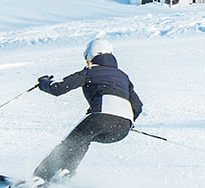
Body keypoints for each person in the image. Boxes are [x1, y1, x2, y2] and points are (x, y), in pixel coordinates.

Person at [26, 38, 143, 186]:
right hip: (122, 129)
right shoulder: (123, 76)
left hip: (100, 118)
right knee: (83, 139)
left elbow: (59, 88)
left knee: (70, 143)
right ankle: (65, 172)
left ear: (90, 55)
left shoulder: (91, 71)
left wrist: (44, 83)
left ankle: (39, 178)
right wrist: (126, 122)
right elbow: (137, 106)